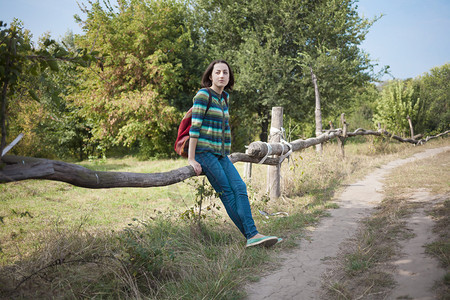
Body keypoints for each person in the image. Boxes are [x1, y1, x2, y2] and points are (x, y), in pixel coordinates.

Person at [188, 59, 281, 248]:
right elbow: (194, 128)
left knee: (240, 188)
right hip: (204, 153)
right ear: (210, 76)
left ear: (229, 77)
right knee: (227, 192)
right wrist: (191, 158)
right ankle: (252, 235)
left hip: (221, 154)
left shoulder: (224, 98)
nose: (222, 75)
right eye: (218, 72)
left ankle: (253, 236)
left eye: (225, 73)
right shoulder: (203, 95)